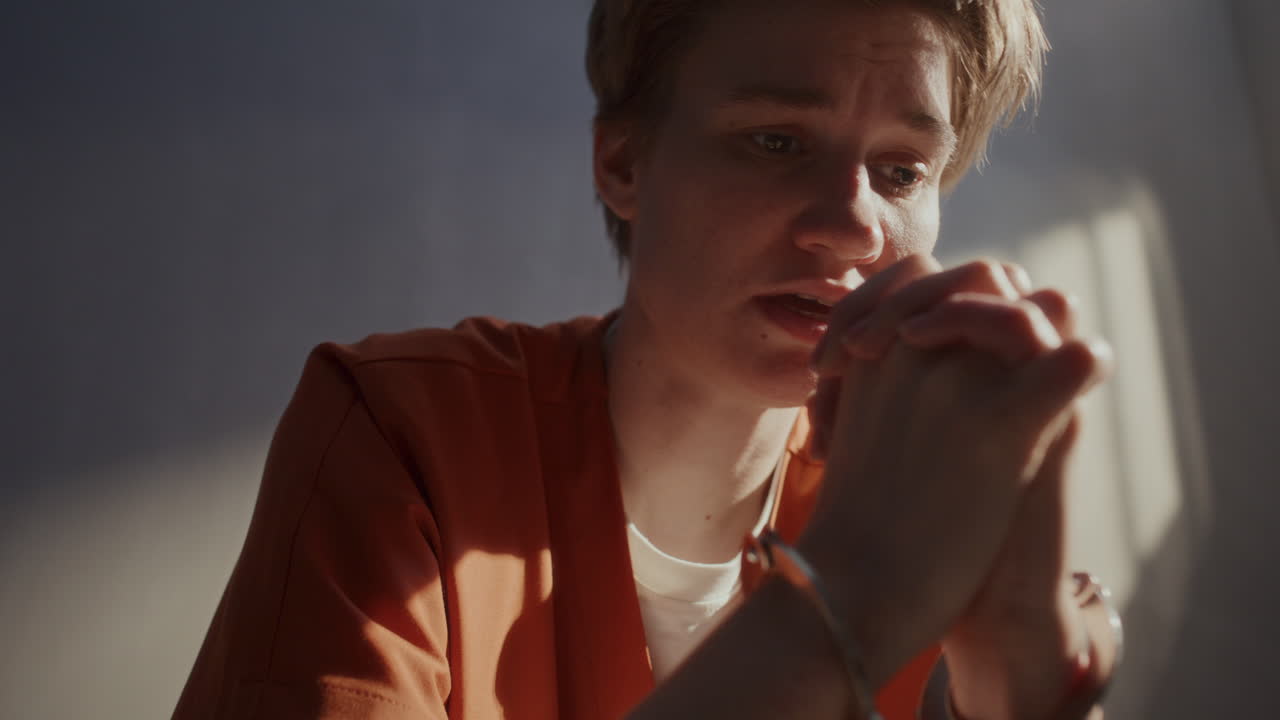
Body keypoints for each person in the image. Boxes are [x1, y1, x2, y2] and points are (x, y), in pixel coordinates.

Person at [174, 1, 1122, 718]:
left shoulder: (930, 492)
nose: (853, 227)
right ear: (624, 164)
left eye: (903, 170)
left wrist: (1022, 684)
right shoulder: (403, 434)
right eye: (777, 140)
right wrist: (846, 600)